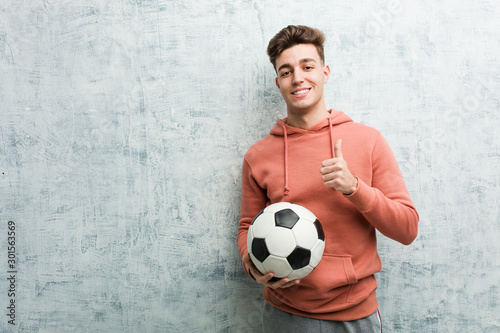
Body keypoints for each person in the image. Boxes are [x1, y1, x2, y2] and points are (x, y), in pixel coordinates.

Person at [237, 25, 419, 332]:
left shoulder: (368, 140)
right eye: (286, 71)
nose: (298, 78)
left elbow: (407, 229)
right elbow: (246, 227)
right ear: (279, 82)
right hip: (284, 314)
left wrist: (355, 188)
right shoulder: (259, 156)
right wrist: (251, 263)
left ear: (325, 72)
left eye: (307, 66)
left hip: (355, 314)